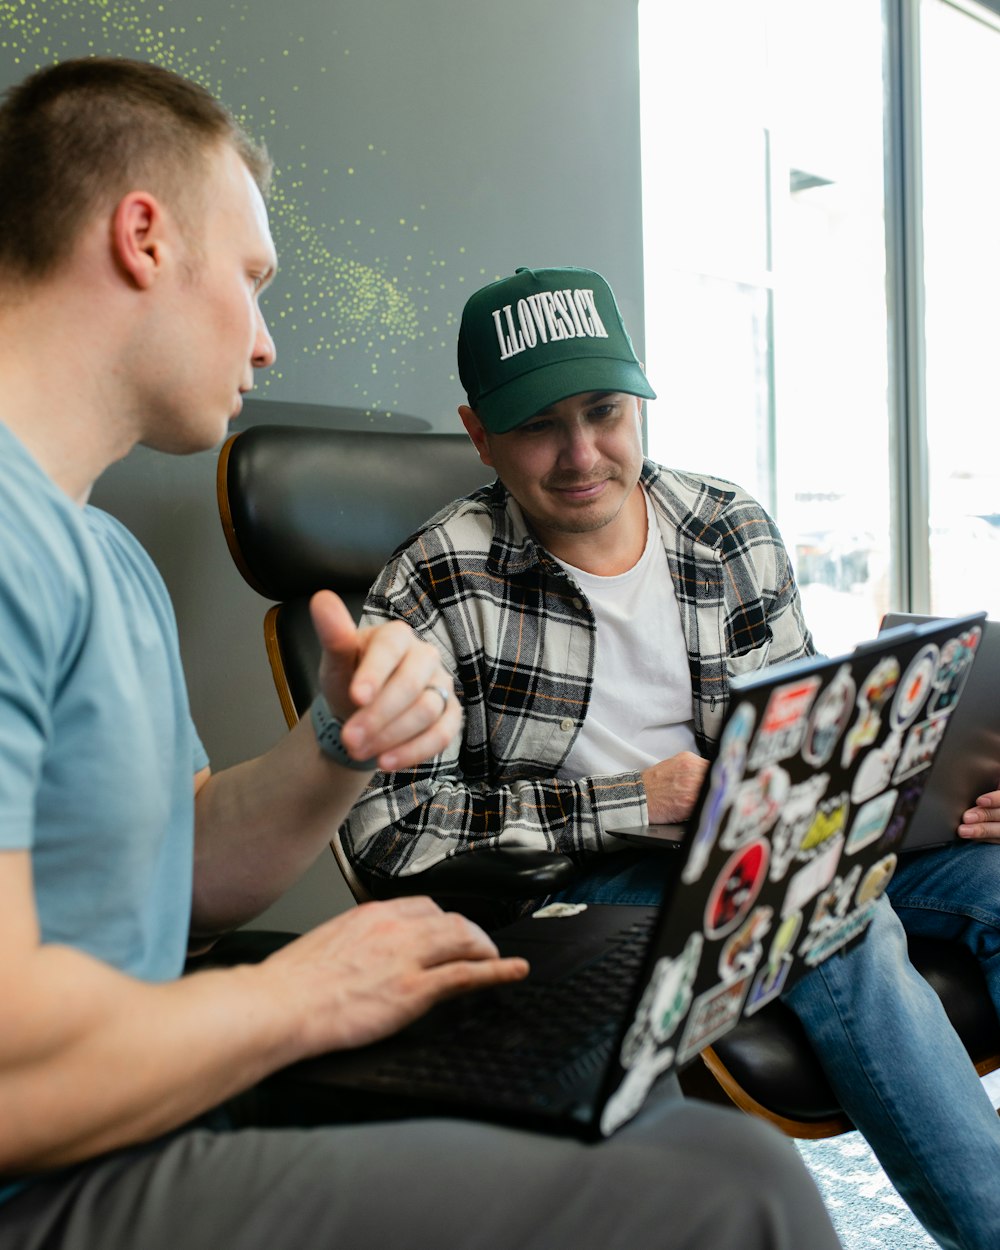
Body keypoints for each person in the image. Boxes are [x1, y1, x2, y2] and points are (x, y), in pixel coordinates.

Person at [0, 59, 844, 1250]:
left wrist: (339, 745)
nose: (267, 343)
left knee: (646, 1110)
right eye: (251, 281)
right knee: (731, 1188)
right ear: (143, 236)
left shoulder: (103, 558)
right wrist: (293, 997)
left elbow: (179, 869)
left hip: (164, 1088)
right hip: (56, 1178)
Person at [344, 263, 1000, 1250]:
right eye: (537, 425)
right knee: (825, 916)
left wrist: (944, 784)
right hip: (591, 891)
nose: (581, 453)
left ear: (639, 398)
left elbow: (805, 735)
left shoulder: (727, 527)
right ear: (478, 433)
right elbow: (379, 833)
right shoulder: (438, 580)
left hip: (768, 843)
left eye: (604, 411)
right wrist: (626, 802)